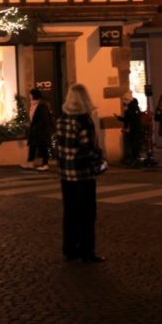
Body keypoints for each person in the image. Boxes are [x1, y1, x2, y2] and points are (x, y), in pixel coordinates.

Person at [54, 83, 104, 264]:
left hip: (66, 174)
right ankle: (86, 251)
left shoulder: (61, 119)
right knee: (88, 213)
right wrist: (98, 158)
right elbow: (88, 148)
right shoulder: (84, 120)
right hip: (83, 174)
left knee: (70, 213)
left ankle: (69, 249)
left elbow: (58, 147)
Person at [24, 88, 55, 171]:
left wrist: (36, 126)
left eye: (30, 94)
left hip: (41, 131)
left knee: (43, 147)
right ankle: (30, 163)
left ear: (34, 95)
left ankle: (45, 164)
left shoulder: (41, 105)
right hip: (35, 130)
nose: (29, 96)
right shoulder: (33, 105)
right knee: (32, 146)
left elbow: (44, 119)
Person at [122, 97, 143, 165]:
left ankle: (134, 159)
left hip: (133, 130)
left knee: (133, 145)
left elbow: (128, 119)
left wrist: (126, 112)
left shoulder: (131, 110)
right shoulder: (137, 109)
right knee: (135, 145)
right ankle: (135, 158)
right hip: (136, 129)